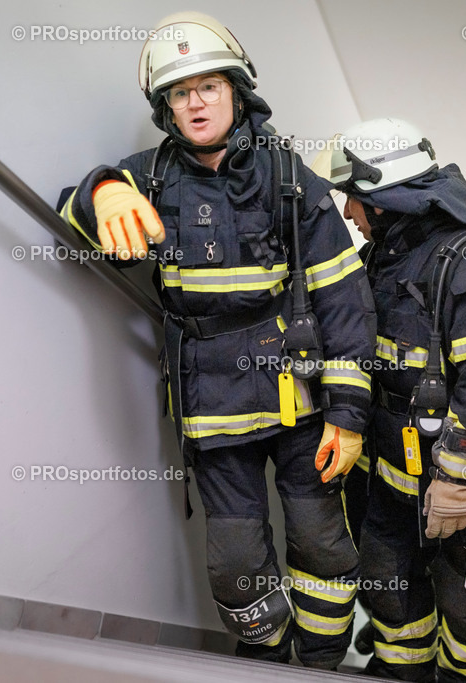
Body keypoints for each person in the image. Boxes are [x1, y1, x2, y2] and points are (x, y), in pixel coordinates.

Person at [58, 13, 376, 669]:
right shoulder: (148, 177)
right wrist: (101, 191)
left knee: (321, 544)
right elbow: (71, 210)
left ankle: (319, 660)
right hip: (210, 400)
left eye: (207, 86)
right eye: (179, 92)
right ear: (165, 107)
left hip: (299, 401)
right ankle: (265, 655)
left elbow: (344, 298)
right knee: (235, 562)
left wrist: (348, 415)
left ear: (236, 90)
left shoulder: (292, 182)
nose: (195, 102)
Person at [328, 118, 466, 682]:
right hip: (393, 490)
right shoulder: (384, 259)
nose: (348, 213)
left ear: (385, 198)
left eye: (354, 198)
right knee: (394, 608)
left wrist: (455, 478)